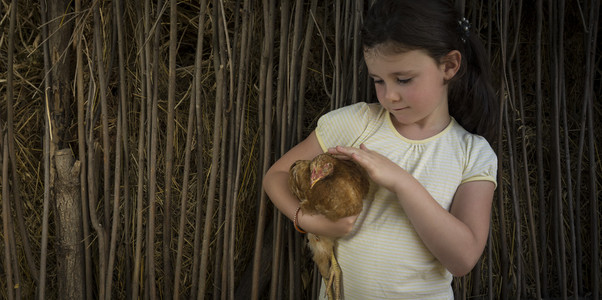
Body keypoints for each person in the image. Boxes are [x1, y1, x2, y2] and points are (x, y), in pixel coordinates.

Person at [263, 0, 498, 298]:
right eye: (378, 81)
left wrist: (400, 181)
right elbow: (277, 174)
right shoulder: (356, 122)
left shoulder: (472, 154)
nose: (390, 96)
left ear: (449, 66)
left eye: (403, 79)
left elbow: (462, 258)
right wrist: (307, 220)